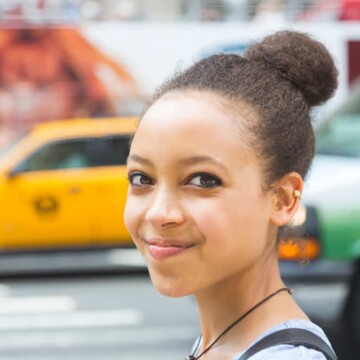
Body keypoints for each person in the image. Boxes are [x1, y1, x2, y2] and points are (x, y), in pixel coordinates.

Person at [124, 30, 338, 359]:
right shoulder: (220, 343)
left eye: (203, 180)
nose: (158, 212)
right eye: (142, 178)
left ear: (283, 199)